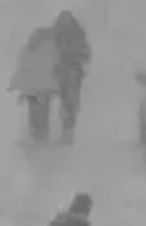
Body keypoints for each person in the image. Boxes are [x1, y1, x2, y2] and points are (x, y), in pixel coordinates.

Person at [10, 24, 58, 140]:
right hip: (44, 89)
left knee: (34, 113)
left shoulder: (27, 50)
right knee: (43, 113)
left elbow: (23, 68)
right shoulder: (50, 50)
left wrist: (17, 83)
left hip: (33, 89)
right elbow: (54, 68)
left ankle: (36, 135)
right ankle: (42, 135)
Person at [53, 10, 91, 143]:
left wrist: (75, 59)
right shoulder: (58, 35)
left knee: (69, 101)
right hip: (65, 72)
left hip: (72, 71)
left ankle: (68, 132)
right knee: (67, 101)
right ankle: (67, 131)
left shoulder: (77, 35)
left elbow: (86, 54)